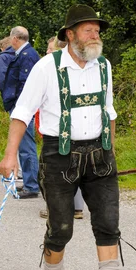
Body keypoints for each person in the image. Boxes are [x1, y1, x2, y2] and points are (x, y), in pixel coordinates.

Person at [0, 4, 134, 270]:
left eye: (97, 31)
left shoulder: (104, 66)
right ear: (71, 35)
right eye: (89, 30)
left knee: (108, 225)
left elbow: (109, 111)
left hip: (100, 157)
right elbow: (21, 113)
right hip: (59, 156)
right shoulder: (47, 67)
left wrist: (110, 150)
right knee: (60, 227)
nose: (95, 35)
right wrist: (9, 156)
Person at [39, 36, 85, 220]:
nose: (48, 53)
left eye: (51, 50)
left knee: (60, 172)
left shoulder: (60, 71)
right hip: (67, 130)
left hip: (63, 132)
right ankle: (76, 208)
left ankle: (59, 210)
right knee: (75, 168)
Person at [0, 26, 41, 199]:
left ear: (15, 39)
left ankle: (32, 185)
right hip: (20, 105)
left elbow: (25, 84)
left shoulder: (27, 56)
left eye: (11, 40)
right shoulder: (24, 54)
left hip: (23, 107)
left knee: (26, 146)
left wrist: (19, 106)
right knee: (24, 145)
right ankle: (30, 182)